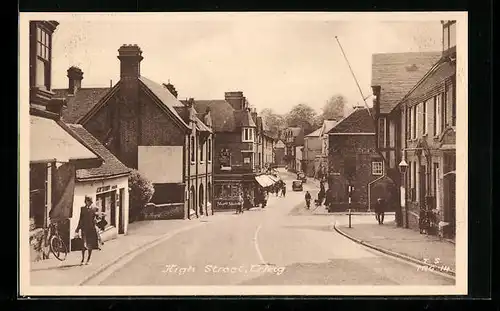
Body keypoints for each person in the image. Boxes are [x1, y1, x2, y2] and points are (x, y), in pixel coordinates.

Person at [75, 196, 100, 265]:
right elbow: (81, 219)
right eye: (87, 201)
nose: (88, 203)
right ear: (85, 202)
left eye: (89, 201)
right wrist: (77, 228)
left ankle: (88, 259)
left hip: (91, 229)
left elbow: (98, 218)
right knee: (83, 244)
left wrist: (98, 217)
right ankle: (82, 259)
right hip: (84, 229)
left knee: (90, 245)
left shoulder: (95, 209)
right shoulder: (82, 209)